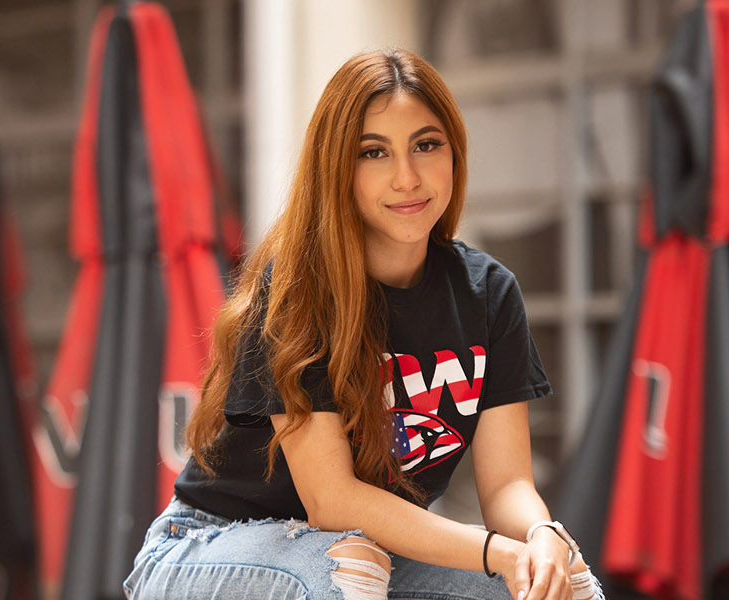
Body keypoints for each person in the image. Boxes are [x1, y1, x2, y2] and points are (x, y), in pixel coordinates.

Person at [124, 48, 604, 600]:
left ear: (454, 154)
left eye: (426, 145)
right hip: (206, 549)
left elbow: (508, 485)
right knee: (349, 566)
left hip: (369, 553)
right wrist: (497, 551)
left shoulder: (489, 294)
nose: (407, 177)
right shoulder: (298, 292)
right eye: (373, 153)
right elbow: (333, 501)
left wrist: (541, 538)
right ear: (339, 170)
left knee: (563, 586)